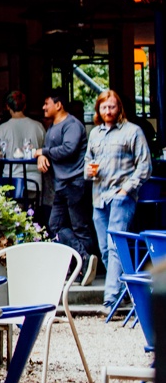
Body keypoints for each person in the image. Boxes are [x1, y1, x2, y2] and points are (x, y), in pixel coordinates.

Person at [85, 89, 152, 306]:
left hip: (121, 196)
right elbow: (87, 164)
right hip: (99, 196)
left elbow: (145, 165)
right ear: (98, 110)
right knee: (105, 249)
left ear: (119, 108)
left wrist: (127, 189)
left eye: (112, 106)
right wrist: (89, 171)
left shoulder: (133, 132)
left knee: (115, 246)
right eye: (104, 107)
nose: (108, 111)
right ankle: (124, 291)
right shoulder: (94, 134)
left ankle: (110, 298)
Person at [36, 89, 95, 275]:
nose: (44, 107)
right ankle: (83, 259)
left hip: (75, 182)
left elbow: (68, 149)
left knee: (80, 227)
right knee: (54, 225)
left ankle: (86, 267)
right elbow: (47, 149)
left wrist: (43, 153)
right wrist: (41, 156)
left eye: (47, 103)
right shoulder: (53, 127)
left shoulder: (72, 125)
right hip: (61, 184)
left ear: (58, 105)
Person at [0, 91, 46, 156]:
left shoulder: (1, 129)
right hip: (35, 166)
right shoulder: (39, 126)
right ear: (25, 106)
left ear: (7, 106)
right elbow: (45, 150)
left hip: (11, 166)